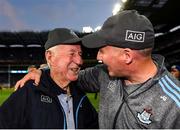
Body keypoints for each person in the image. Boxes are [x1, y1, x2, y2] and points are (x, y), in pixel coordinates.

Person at [14, 10, 180, 128]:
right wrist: (43, 70)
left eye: (102, 50)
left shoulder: (173, 105)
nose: (98, 57)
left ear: (127, 56)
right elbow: (67, 74)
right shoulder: (103, 74)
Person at [0, 28, 98, 129]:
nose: (80, 61)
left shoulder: (80, 95)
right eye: (72, 54)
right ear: (50, 57)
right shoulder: (29, 92)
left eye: (80, 54)